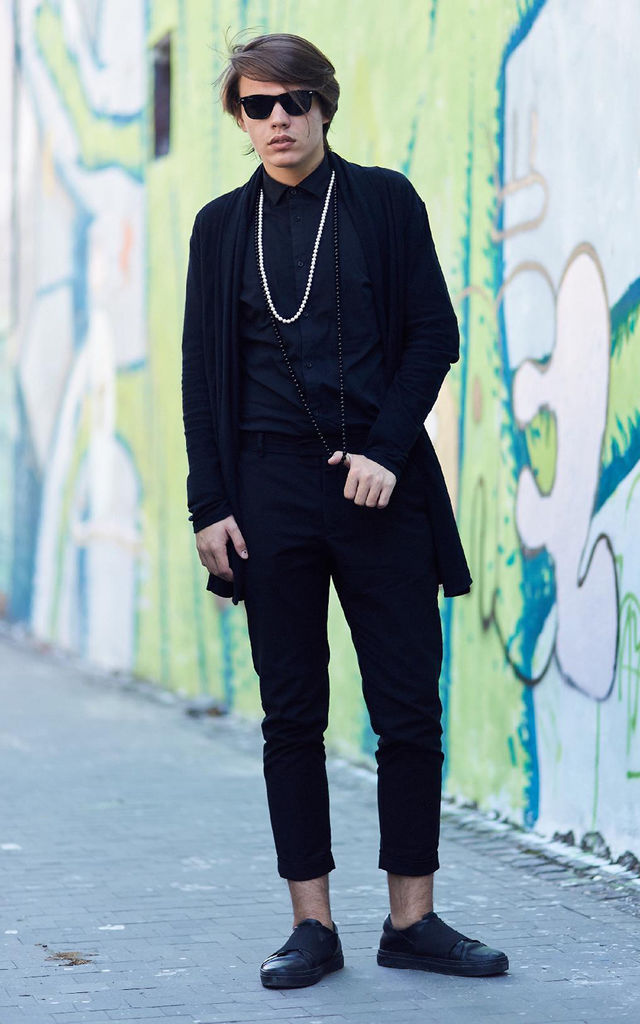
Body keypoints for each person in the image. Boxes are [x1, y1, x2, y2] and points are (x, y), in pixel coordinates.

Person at [181, 32, 509, 988]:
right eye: (258, 105)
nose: (278, 120)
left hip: (380, 487)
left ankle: (412, 919)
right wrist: (209, 504)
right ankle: (311, 925)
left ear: (324, 105)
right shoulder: (219, 228)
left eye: (295, 101)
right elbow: (203, 375)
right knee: (292, 715)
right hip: (268, 494)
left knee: (408, 708)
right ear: (240, 118)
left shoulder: (384, 202)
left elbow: (434, 334)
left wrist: (386, 450)